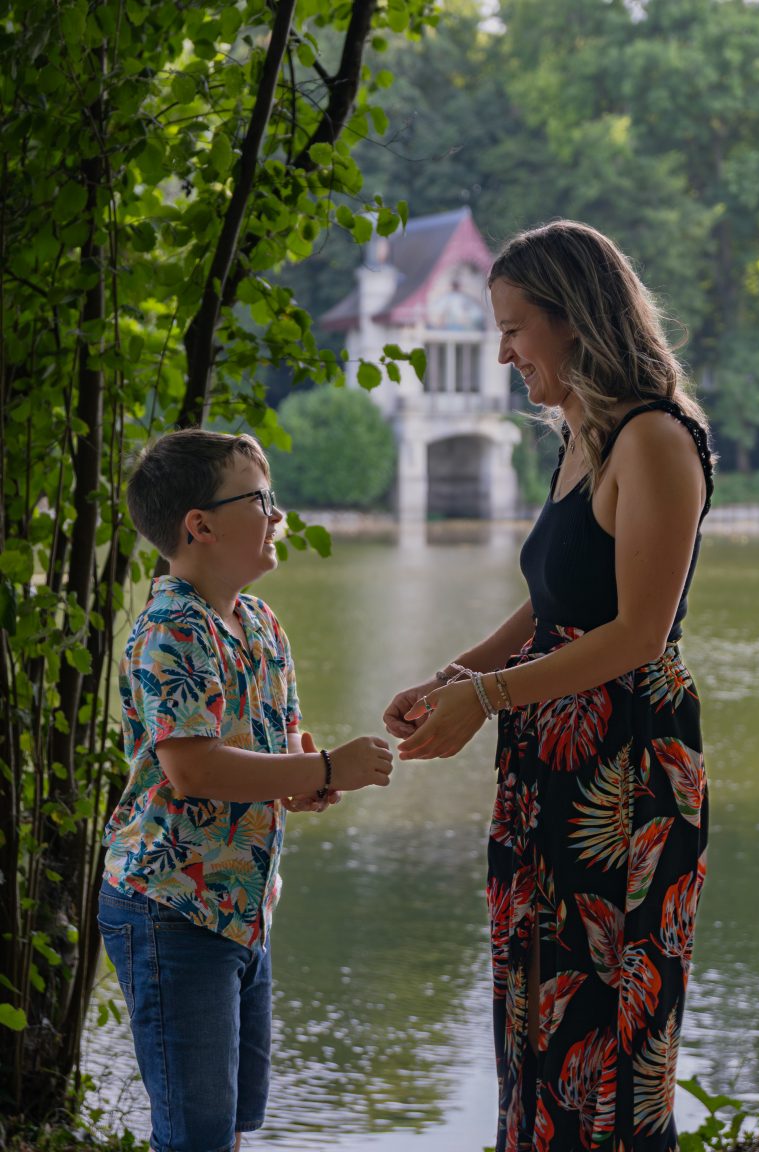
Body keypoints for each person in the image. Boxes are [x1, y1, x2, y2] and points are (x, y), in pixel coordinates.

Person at [384, 220, 713, 1152]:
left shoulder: (653, 438)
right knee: (535, 1011)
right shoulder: (582, 437)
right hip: (551, 758)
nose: (501, 353)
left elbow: (639, 634)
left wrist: (485, 700)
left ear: (575, 322)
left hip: (625, 774)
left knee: (609, 1032)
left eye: (515, 327)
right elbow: (550, 605)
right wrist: (456, 675)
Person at [98, 429, 394, 1152]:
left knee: (228, 1124)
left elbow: (278, 743)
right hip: (170, 908)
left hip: (241, 910)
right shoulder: (171, 627)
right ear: (199, 525)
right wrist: (325, 770)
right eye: (261, 499)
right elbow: (194, 770)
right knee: (194, 1133)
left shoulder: (259, 622)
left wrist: (305, 774)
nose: (278, 514)